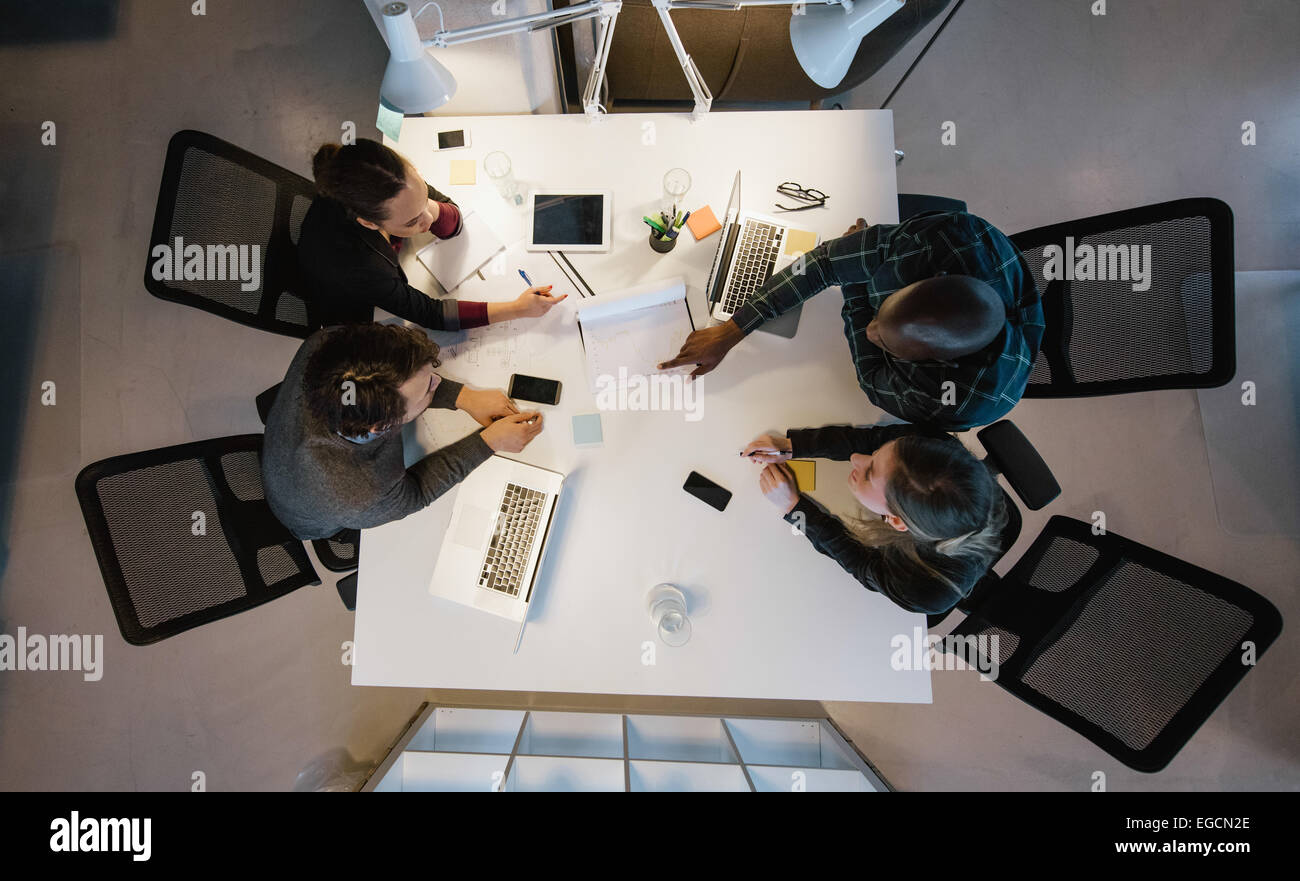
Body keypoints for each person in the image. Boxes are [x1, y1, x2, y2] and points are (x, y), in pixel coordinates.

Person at [660, 211, 1044, 431]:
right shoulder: (948, 238)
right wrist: (731, 330)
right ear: (926, 280)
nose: (871, 332)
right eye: (886, 309)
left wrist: (856, 289)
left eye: (888, 343)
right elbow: (824, 263)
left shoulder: (951, 401)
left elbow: (872, 381)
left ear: (930, 361)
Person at [262, 322, 544, 540]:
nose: (437, 383)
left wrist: (464, 397)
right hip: (313, 514)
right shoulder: (360, 495)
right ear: (383, 426)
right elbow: (416, 493)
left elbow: (400, 381)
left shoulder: (328, 344)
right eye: (428, 389)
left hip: (290, 451)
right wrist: (488, 442)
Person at [298, 138, 565, 330]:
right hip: (360, 314)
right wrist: (517, 309)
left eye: (424, 197)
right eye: (412, 221)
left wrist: (425, 208)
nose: (427, 220)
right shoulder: (357, 266)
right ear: (369, 223)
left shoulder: (391, 181)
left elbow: (454, 223)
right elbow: (430, 314)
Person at [742, 423, 1008, 614]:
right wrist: (793, 446)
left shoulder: (923, 589)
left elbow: (860, 563)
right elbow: (873, 439)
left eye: (869, 473)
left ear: (897, 522)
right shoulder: (935, 448)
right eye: (878, 456)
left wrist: (794, 507)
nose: (857, 459)